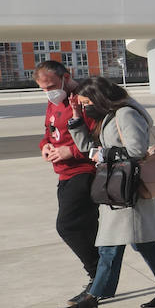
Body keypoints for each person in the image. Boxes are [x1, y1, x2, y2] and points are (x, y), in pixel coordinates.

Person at [56, 77, 155, 308]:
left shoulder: (125, 113)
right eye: (82, 105)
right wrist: (75, 116)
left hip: (127, 192)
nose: (86, 107)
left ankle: (92, 299)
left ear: (100, 96)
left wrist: (103, 153)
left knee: (110, 248)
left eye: (86, 103)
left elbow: (135, 150)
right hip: (118, 189)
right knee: (143, 243)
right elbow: (85, 147)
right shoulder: (110, 114)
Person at [33, 60, 100, 296]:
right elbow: (49, 131)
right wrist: (46, 146)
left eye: (51, 85)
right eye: (43, 89)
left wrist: (70, 151)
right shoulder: (54, 103)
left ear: (66, 76)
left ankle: (98, 273)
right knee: (86, 228)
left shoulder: (84, 98)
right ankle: (100, 278)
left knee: (68, 226)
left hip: (83, 171)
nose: (48, 92)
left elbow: (97, 138)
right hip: (63, 172)